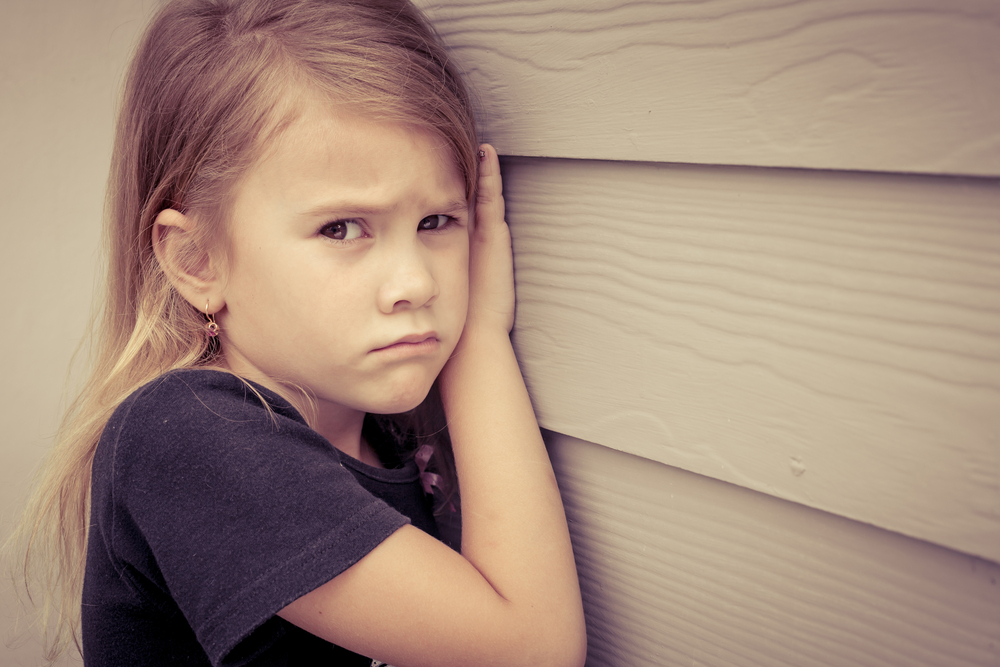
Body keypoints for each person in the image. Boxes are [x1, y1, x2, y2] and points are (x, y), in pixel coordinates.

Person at [9, 0, 586, 664]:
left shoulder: (394, 437)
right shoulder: (187, 435)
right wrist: (481, 336)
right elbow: (533, 649)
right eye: (341, 228)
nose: (416, 284)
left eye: (436, 222)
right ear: (198, 260)